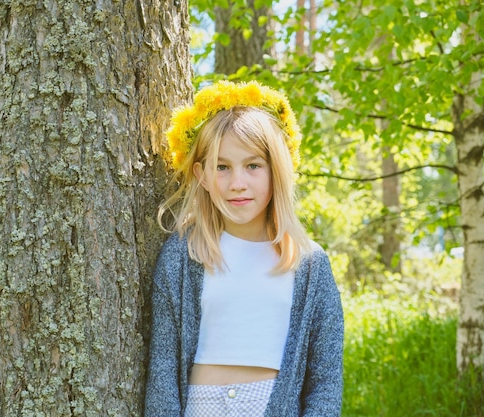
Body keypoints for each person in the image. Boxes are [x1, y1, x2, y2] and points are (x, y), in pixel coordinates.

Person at [144, 80, 344, 417]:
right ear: (202, 175)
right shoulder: (182, 256)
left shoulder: (309, 265)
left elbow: (325, 381)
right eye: (222, 167)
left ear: (276, 170)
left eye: (253, 166)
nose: (238, 182)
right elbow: (163, 371)